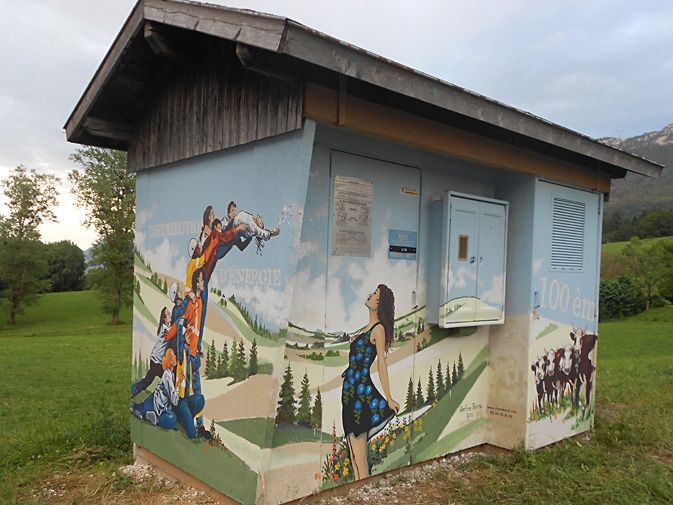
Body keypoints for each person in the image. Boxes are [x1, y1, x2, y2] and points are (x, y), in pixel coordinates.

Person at [341, 284, 400, 480]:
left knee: (359, 453)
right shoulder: (367, 328)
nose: (370, 294)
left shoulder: (378, 329)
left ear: (380, 303)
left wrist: (389, 397)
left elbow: (381, 363)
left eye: (375, 294)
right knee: (353, 452)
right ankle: (357, 493)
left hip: (360, 395)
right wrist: (349, 371)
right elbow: (359, 359)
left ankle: (363, 491)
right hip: (350, 392)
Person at [131, 348, 183, 429]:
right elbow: (174, 400)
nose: (175, 356)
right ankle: (148, 415)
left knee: (172, 419)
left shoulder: (171, 374)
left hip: (160, 407)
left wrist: (178, 382)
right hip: (153, 403)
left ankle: (151, 416)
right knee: (137, 410)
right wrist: (178, 385)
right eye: (173, 355)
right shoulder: (167, 375)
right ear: (169, 360)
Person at [130, 307, 172, 397]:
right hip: (156, 361)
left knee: (150, 380)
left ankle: (134, 391)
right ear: (164, 319)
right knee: (152, 381)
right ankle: (133, 391)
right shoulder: (165, 329)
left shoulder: (167, 327)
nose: (170, 315)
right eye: (168, 314)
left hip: (157, 360)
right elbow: (172, 334)